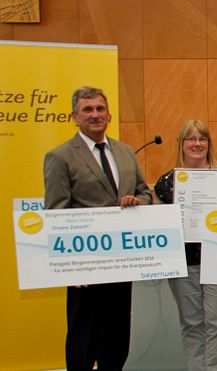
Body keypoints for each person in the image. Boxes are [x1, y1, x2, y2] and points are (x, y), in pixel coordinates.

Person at [44, 86, 151, 370]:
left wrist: (136, 200)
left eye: (100, 109)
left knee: (117, 339)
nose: (95, 115)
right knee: (83, 339)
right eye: (87, 110)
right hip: (86, 265)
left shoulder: (126, 152)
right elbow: (56, 211)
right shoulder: (60, 156)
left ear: (109, 115)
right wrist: (70, 264)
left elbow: (145, 192)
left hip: (122, 260)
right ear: (74, 117)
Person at [153, 119, 217, 371]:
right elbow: (157, 221)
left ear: (209, 143)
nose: (198, 144)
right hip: (185, 263)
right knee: (192, 324)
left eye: (202, 138)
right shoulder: (166, 182)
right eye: (191, 139)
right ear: (181, 144)